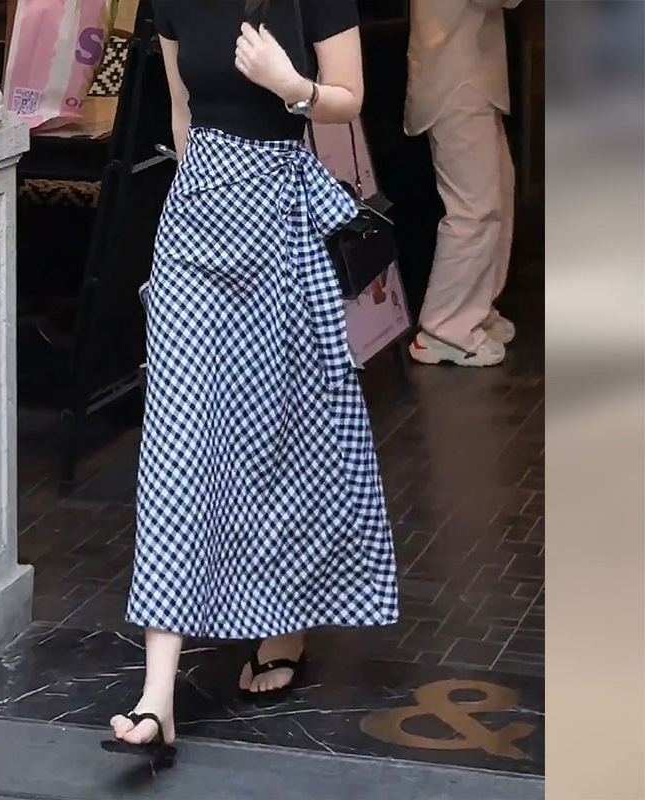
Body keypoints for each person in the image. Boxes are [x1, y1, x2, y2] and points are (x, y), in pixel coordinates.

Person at [103, 0, 398, 759]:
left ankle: (282, 625)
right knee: (177, 446)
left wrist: (290, 85)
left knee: (278, 435)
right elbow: (181, 114)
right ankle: (156, 697)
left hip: (281, 225)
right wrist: (200, 205)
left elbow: (349, 98)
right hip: (196, 227)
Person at [405, 0, 522, 367]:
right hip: (455, 81)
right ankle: (445, 328)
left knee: (497, 196)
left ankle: (476, 308)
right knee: (475, 208)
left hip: (472, 77)